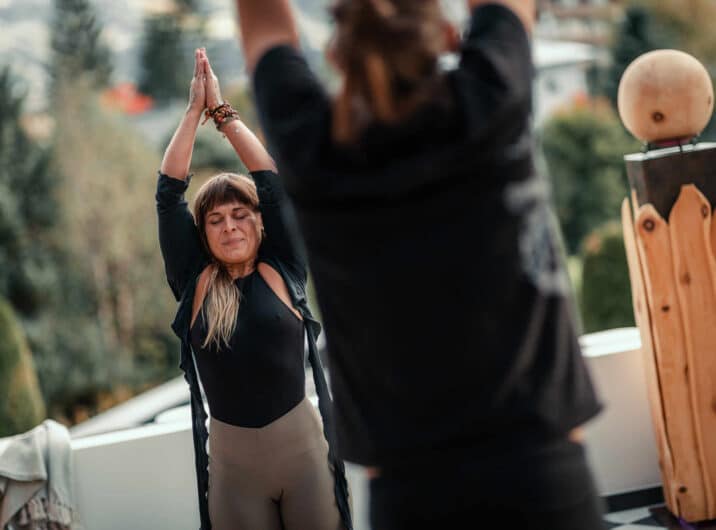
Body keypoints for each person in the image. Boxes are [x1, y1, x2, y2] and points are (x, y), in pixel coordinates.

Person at [232, 0, 607, 529]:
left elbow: (265, 27)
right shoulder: (490, 100)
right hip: (542, 477)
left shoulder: (314, 148)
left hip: (411, 498)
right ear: (448, 35)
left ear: (338, 54)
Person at [155, 48, 352, 530]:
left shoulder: (283, 267)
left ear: (261, 224)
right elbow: (168, 194)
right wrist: (191, 113)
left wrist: (222, 114)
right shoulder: (195, 282)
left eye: (241, 215)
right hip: (233, 466)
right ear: (203, 234)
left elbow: (272, 183)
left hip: (302, 451)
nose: (230, 227)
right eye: (216, 220)